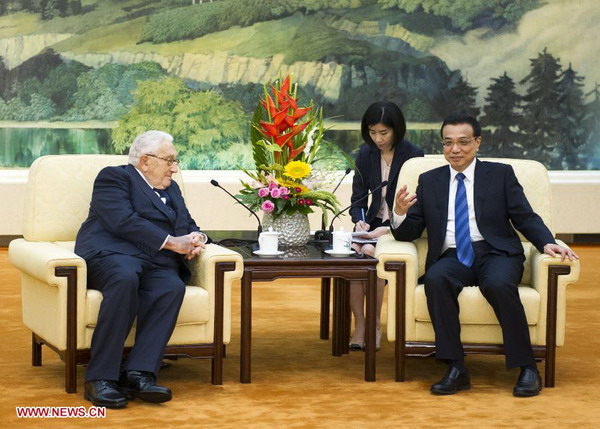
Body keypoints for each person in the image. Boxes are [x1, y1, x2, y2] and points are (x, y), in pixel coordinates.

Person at [391, 113, 578, 397]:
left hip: (496, 252)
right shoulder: (429, 181)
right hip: (454, 255)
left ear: (477, 143)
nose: (455, 149)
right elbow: (409, 233)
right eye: (448, 143)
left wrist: (546, 243)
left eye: (463, 142)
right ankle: (456, 367)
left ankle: (527, 367)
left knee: (498, 284)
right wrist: (399, 214)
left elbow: (524, 217)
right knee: (436, 280)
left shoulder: (500, 174)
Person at [74, 130, 209, 409]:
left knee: (170, 286)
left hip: (154, 260)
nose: (175, 166)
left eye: (175, 160)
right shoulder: (114, 177)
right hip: (112, 253)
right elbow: (122, 221)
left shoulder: (171, 187)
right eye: (169, 160)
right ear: (145, 161)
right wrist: (173, 243)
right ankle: (100, 378)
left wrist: (197, 239)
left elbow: (186, 222)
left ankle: (139, 373)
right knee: (124, 279)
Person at [348, 101, 424, 351]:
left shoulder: (413, 155)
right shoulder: (365, 154)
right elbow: (358, 198)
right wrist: (360, 221)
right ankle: (360, 324)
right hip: (371, 223)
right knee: (355, 258)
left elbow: (418, 203)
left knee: (371, 256)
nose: (377, 139)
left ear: (396, 129)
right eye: (372, 132)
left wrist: (390, 228)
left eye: (383, 133)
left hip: (399, 224)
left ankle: (375, 326)